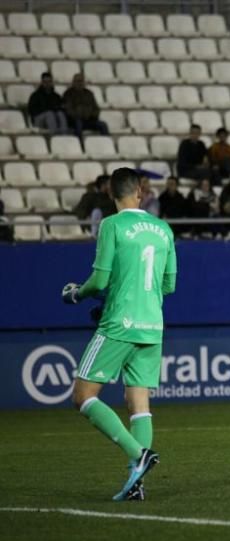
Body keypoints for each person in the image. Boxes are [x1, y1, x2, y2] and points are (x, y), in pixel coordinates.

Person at [60, 168, 176, 501]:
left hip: (119, 323)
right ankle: (137, 482)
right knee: (138, 403)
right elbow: (168, 284)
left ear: (112, 195)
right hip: (153, 325)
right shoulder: (163, 229)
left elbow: (98, 281)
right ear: (140, 192)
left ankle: (137, 454)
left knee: (83, 396)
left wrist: (76, 294)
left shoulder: (111, 225)